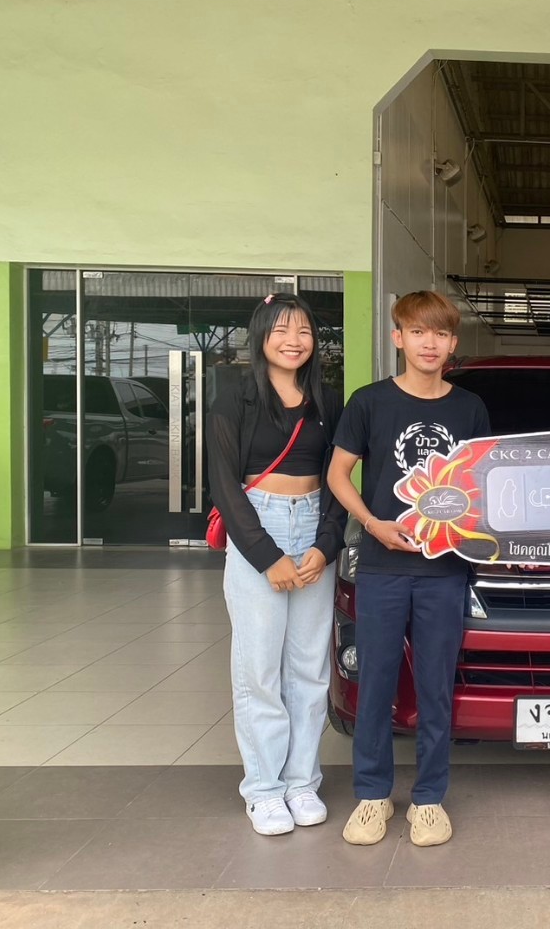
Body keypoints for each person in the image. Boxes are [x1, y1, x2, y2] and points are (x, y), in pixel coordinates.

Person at [327, 291, 489, 848]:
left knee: (435, 687)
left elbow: (482, 484)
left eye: (440, 333)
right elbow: (338, 474)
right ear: (398, 338)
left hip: (445, 569)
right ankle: (373, 796)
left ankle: (428, 800)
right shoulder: (369, 402)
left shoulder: (469, 408)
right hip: (381, 566)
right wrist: (373, 523)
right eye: (418, 332)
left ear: (453, 343)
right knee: (375, 683)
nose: (429, 343)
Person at [207, 292, 346, 836]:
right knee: (259, 668)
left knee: (309, 668)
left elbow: (338, 479)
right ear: (261, 335)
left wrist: (325, 545)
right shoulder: (235, 398)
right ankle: (263, 790)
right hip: (257, 526)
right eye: (282, 330)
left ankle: (301, 782)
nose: (294, 341)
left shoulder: (327, 400)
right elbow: (224, 485)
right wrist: (268, 556)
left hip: (313, 527)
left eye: (304, 331)